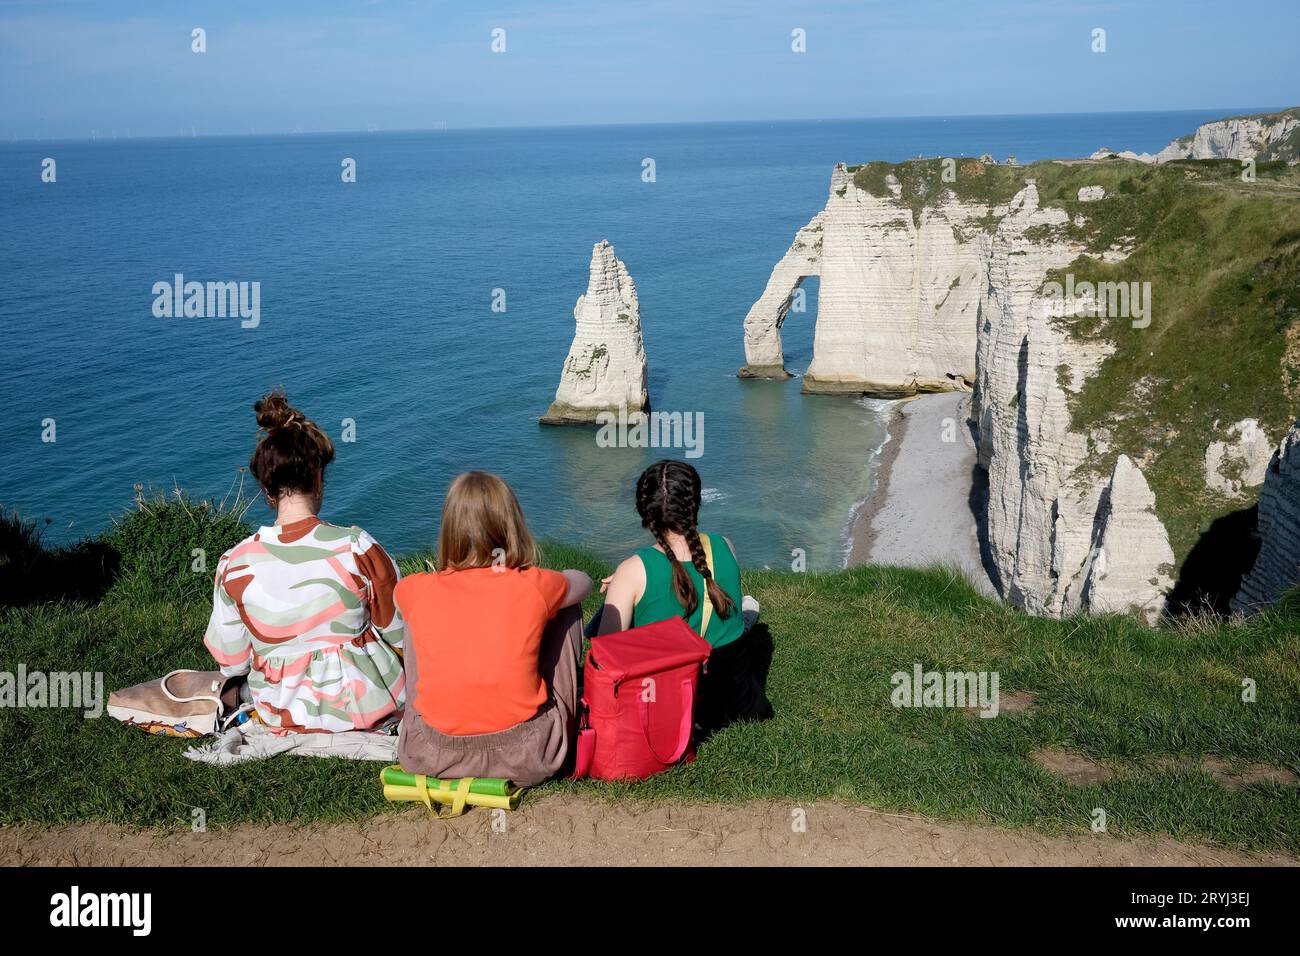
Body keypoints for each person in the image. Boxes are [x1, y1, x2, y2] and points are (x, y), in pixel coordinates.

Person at [203, 390, 406, 733]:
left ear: (267, 492)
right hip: (372, 705)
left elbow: (231, 661)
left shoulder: (233, 564)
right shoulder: (358, 547)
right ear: (318, 480)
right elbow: (402, 634)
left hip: (279, 711)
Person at [395, 471, 592, 786]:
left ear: (450, 529)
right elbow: (585, 582)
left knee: (414, 616)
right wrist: (546, 585)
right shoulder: (532, 585)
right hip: (528, 755)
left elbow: (395, 596)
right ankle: (563, 724)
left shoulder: (415, 588)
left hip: (431, 754)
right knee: (567, 607)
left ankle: (431, 708)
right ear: (511, 526)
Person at [598, 459, 773, 735]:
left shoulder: (633, 570)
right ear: (696, 503)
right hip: (738, 703)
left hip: (672, 709)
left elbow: (604, 660)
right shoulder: (726, 546)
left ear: (645, 510)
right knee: (744, 609)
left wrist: (622, 586)